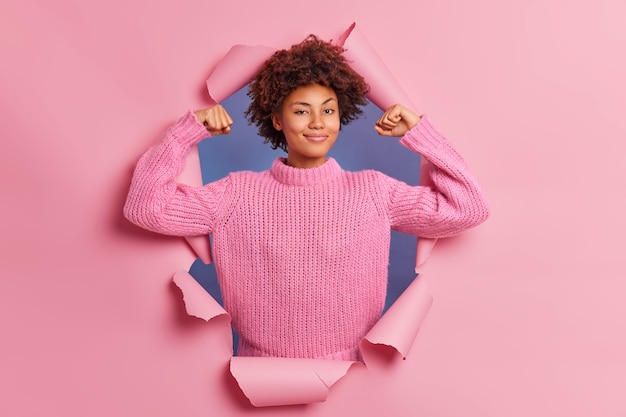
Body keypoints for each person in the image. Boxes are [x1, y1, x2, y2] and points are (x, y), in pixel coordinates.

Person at [124, 35, 489, 361]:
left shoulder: (374, 191)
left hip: (353, 380)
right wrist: (185, 134)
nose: (318, 122)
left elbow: (468, 208)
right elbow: (145, 207)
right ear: (278, 119)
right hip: (259, 377)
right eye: (302, 111)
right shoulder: (235, 193)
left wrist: (422, 135)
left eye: (328, 110)